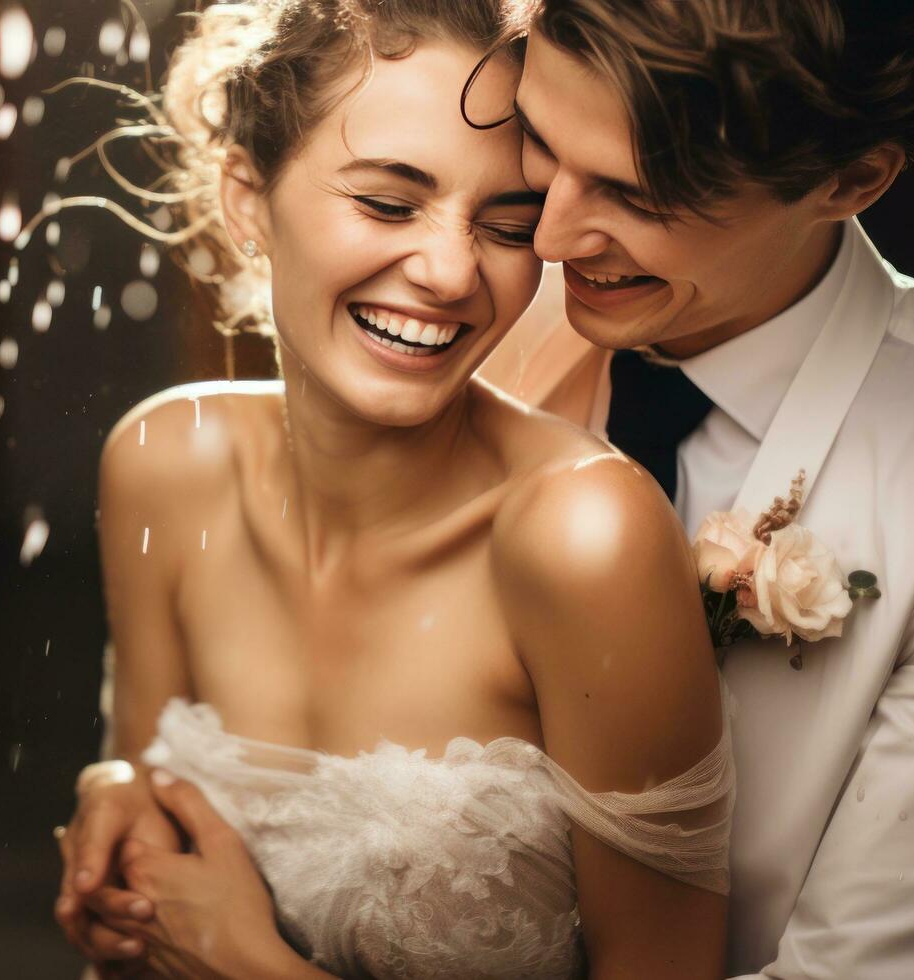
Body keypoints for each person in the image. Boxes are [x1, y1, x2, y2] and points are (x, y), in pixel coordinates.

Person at [53, 2, 733, 977]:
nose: (453, 272)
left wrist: (253, 967)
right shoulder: (166, 461)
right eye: (387, 202)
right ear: (248, 200)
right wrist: (114, 795)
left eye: (508, 224)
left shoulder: (585, 537)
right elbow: (148, 899)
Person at [472, 1, 914, 976]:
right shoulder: (457, 295)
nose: (548, 237)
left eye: (639, 194)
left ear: (850, 179)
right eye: (540, 140)